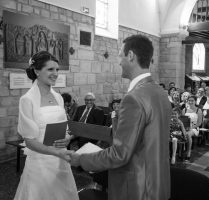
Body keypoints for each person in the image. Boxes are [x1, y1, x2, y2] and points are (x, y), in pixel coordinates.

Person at [68, 35, 172, 200]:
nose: (118, 61)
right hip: (158, 184)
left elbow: (120, 154)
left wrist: (81, 159)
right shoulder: (160, 92)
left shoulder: (134, 98)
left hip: (136, 188)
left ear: (130, 55)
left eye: (120, 55)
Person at [14, 51, 79, 200]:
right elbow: (29, 141)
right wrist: (56, 152)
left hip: (61, 160)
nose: (55, 73)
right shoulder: (27, 100)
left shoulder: (58, 98)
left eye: (57, 69)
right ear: (37, 71)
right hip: (40, 163)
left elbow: (65, 127)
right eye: (50, 69)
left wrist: (68, 138)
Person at [183, 95, 203, 160]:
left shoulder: (198, 110)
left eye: (192, 101)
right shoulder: (184, 109)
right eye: (189, 100)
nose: (190, 102)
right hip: (185, 127)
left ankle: (189, 152)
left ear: (195, 101)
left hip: (194, 127)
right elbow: (182, 120)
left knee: (188, 134)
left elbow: (199, 123)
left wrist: (191, 127)